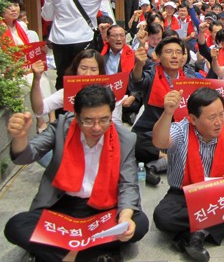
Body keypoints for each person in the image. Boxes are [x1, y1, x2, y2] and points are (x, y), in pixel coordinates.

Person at [4, 85, 149, 261]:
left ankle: (59, 252)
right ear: (77, 116)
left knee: (139, 224)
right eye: (88, 121)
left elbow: (128, 184)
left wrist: (125, 218)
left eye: (104, 120)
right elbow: (26, 156)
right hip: (62, 207)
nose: (97, 128)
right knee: (16, 226)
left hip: (102, 208)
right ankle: (91, 255)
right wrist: (20, 137)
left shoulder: (125, 139)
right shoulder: (61, 128)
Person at [152, 88, 224, 261]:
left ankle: (193, 236)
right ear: (193, 119)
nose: (219, 122)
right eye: (212, 117)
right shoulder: (181, 130)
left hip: (219, 194)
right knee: (163, 217)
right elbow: (159, 142)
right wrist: (168, 113)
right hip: (184, 194)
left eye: (221, 115)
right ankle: (217, 228)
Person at [42, 0, 142, 90]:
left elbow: (47, 15)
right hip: (84, 38)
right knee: (86, 77)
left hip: (60, 40)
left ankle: (63, 103)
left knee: (63, 77)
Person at [130, 37, 196, 178]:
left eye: (178, 52)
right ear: (158, 56)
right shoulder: (152, 73)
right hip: (152, 131)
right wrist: (139, 65)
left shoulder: (190, 78)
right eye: (169, 52)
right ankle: (167, 158)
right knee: (133, 142)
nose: (174, 56)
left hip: (179, 132)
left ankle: (155, 164)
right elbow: (137, 82)